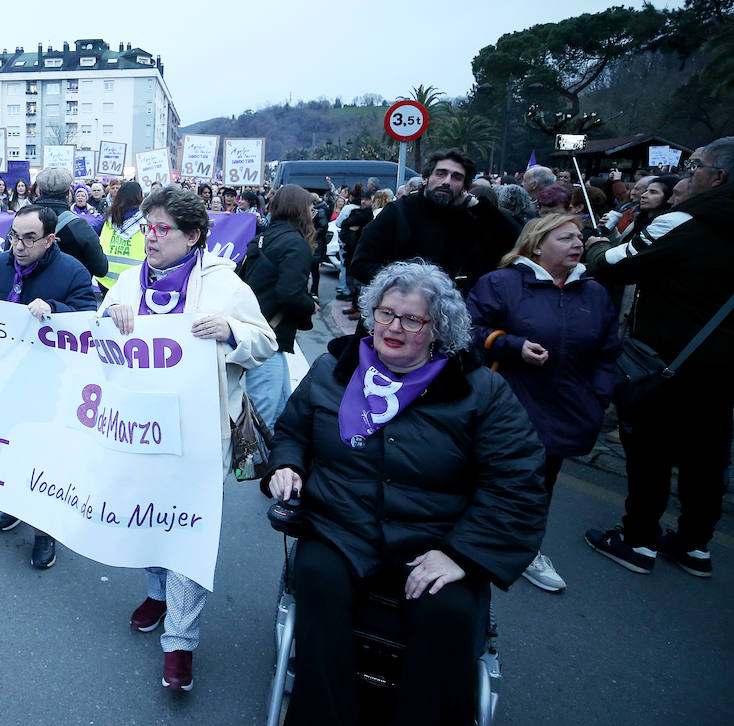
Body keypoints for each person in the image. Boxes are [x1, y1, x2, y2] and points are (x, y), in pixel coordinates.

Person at [264, 261, 546, 725]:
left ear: (439, 329)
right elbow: (292, 431)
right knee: (317, 586)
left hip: (436, 541)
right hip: (339, 530)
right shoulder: (333, 369)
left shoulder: (481, 391)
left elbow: (517, 485)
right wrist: (288, 465)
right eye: (386, 313)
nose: (393, 327)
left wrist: (461, 555)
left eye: (412, 319)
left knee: (448, 615)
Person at [100, 185, 277, 692]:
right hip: (140, 428)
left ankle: (180, 639)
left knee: (189, 530)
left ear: (193, 236)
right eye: (147, 228)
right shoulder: (130, 280)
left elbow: (265, 342)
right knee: (147, 516)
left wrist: (230, 330)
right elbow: (97, 336)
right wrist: (110, 316)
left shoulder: (224, 283)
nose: (150, 238)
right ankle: (157, 592)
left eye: (162, 229)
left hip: (202, 433)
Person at [582, 138, 734, 578]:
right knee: (707, 456)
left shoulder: (683, 221)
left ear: (718, 177)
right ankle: (694, 544)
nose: (687, 173)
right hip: (723, 371)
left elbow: (613, 263)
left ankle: (638, 540)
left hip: (664, 363)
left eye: (695, 165)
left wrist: (595, 244)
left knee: (650, 451)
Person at [467, 215, 621, 592]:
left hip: (567, 408)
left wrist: (598, 397)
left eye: (579, 237)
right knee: (484, 474)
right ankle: (467, 542)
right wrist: (512, 345)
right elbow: (468, 330)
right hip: (508, 403)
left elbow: (609, 352)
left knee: (541, 484)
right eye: (565, 237)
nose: (578, 243)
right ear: (537, 245)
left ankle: (526, 550)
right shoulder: (500, 283)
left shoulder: (595, 293)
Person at [0, 204, 97, 569]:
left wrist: (53, 308)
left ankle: (44, 530)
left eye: (29, 238)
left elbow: (88, 320)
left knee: (43, 457)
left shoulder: (73, 270)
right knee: (6, 447)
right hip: (5, 378)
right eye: (14, 237)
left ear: (50, 240)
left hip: (51, 382)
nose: (19, 246)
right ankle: (16, 505)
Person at [349, 149, 520, 297]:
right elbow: (361, 264)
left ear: (464, 186)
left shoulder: (468, 218)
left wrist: (476, 205)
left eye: (457, 177)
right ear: (425, 178)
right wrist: (407, 286)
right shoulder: (397, 212)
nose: (447, 181)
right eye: (440, 173)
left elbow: (516, 240)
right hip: (400, 310)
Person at [241, 185, 319, 426]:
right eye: (311, 208)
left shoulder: (262, 237)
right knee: (261, 420)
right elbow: (289, 293)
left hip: (254, 330)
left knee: (279, 411)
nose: (313, 213)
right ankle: (250, 453)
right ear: (299, 210)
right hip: (268, 338)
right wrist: (310, 305)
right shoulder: (295, 244)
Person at [29, 168, 108, 280]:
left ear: (39, 191)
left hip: (29, 288)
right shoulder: (79, 226)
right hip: (70, 288)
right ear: (67, 193)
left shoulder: (22, 220)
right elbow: (101, 269)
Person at [95, 180, 145, 293]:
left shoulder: (109, 217)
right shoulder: (147, 220)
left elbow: (91, 231)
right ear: (139, 197)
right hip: (132, 279)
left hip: (105, 277)